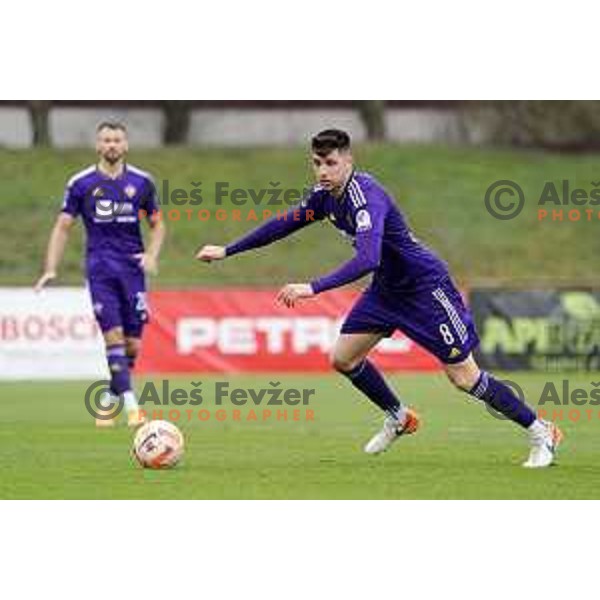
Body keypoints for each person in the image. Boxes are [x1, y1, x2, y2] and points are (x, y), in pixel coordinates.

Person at [196, 128, 563, 468]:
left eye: (331, 162)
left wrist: (313, 287)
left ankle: (541, 431)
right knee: (343, 358)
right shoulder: (324, 198)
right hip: (387, 291)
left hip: (425, 289)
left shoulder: (365, 197)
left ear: (348, 161)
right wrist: (228, 250)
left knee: (464, 377)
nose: (323, 171)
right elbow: (284, 223)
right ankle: (399, 416)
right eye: (317, 163)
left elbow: (368, 258)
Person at [35, 120, 165, 428]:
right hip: (100, 270)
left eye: (117, 140)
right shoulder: (80, 184)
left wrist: (151, 254)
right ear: (98, 145)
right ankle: (132, 407)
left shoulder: (142, 183)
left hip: (133, 271)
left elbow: (158, 224)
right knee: (114, 337)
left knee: (132, 346)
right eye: (106, 140)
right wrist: (50, 268)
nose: (111, 145)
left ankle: (109, 398)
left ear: (126, 145)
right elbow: (63, 226)